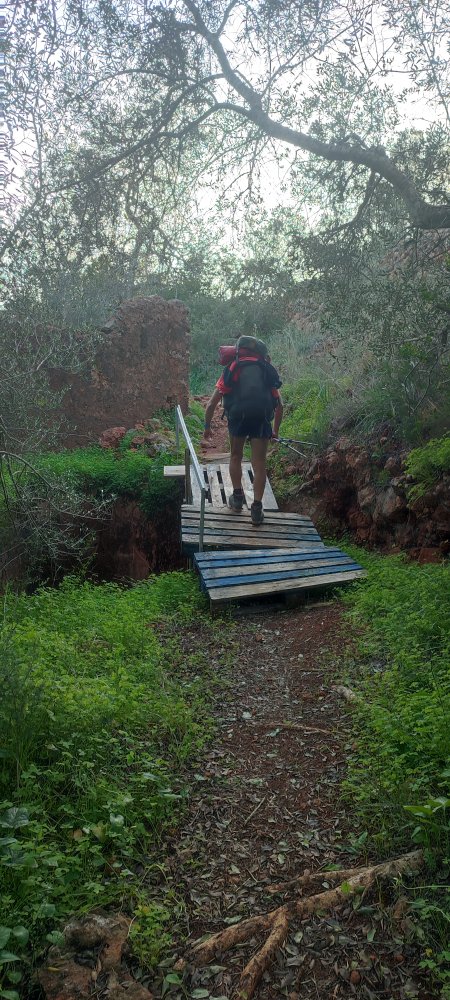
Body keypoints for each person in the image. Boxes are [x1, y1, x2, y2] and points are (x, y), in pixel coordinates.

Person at [202, 336, 283, 526]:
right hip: (261, 419)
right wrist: (275, 431)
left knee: (235, 456)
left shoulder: (233, 367)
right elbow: (280, 405)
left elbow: (211, 404)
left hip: (238, 418)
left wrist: (207, 427)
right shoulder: (265, 369)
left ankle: (237, 498)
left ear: (239, 351)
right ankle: (256, 508)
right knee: (259, 464)